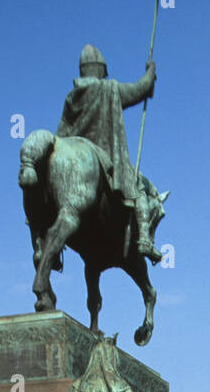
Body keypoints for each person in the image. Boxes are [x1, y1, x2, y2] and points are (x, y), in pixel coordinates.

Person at [55, 44, 162, 262]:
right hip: (106, 158)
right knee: (138, 186)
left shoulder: (71, 97)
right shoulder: (108, 89)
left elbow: (60, 132)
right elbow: (140, 89)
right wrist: (150, 71)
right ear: (100, 70)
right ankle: (144, 239)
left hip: (73, 159)